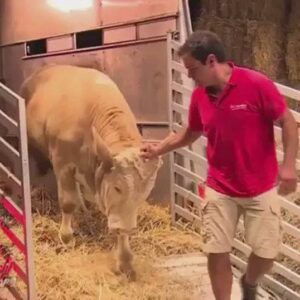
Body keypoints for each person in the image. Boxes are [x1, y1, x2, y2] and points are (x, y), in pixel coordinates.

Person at [140, 30, 298, 300]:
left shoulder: (256, 84)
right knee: (216, 249)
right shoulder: (199, 97)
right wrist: (159, 149)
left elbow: (288, 121)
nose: (189, 76)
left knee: (266, 253)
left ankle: (249, 281)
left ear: (211, 61)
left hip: (260, 186)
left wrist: (289, 166)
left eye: (192, 69)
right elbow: (190, 132)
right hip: (220, 186)